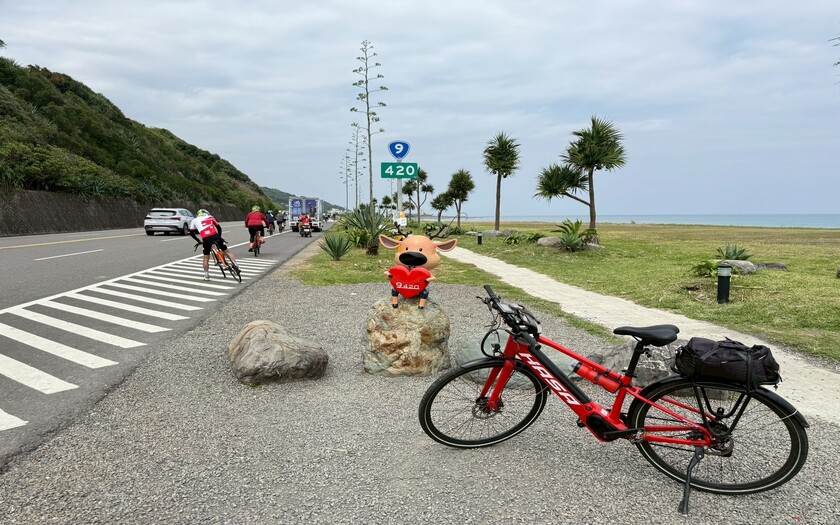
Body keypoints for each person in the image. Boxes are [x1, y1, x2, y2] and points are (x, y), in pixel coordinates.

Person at [189, 209, 239, 281]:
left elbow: (191, 233)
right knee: (227, 251)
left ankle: (206, 275)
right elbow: (219, 228)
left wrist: (198, 241)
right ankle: (236, 265)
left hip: (206, 239)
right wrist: (219, 237)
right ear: (207, 213)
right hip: (216, 236)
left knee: (206, 258)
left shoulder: (194, 220)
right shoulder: (211, 217)